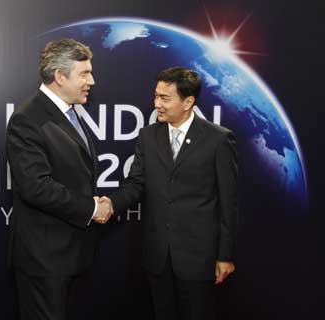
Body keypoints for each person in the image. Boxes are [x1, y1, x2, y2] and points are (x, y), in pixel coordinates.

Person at [102, 67, 238, 320]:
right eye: (155, 96)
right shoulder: (147, 136)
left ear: (188, 102)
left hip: (199, 258)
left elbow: (228, 204)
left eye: (165, 98)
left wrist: (225, 256)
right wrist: (110, 203)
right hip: (158, 257)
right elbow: (135, 183)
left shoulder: (219, 140)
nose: (156, 104)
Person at [6, 38, 112, 320]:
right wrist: (92, 208)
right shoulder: (28, 119)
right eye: (84, 74)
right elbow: (36, 187)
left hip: (71, 256)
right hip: (45, 260)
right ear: (59, 76)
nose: (92, 81)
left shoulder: (70, 112)